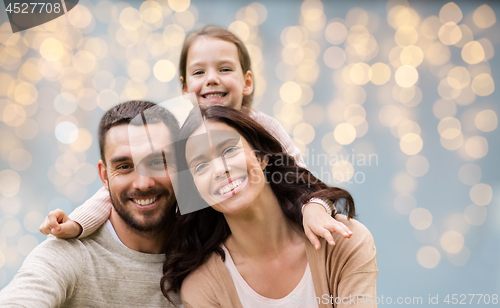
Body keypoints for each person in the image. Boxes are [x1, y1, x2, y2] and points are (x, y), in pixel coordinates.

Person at [40, 26, 352, 249]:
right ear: (185, 86)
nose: (212, 78)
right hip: (204, 242)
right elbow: (121, 184)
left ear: (246, 82)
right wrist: (79, 223)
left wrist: (315, 207)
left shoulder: (262, 127)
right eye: (199, 72)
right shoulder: (176, 124)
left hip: (261, 237)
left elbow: (301, 179)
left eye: (225, 68)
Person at [161, 105, 378, 308]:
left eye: (228, 151)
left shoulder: (343, 242)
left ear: (261, 157)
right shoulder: (203, 288)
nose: (220, 169)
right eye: (200, 166)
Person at [0, 101, 182, 307]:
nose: (143, 183)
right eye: (124, 166)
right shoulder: (69, 255)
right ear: (104, 176)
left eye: (157, 162)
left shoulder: (207, 247)